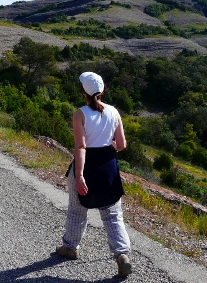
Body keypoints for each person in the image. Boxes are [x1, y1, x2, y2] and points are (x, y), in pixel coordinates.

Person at [56, 71, 132, 277]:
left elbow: (81, 147)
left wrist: (79, 175)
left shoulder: (80, 114)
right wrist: (109, 149)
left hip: (87, 166)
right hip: (108, 167)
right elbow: (122, 145)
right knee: (113, 214)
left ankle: (70, 247)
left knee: (77, 210)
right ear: (103, 90)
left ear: (83, 92)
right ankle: (122, 255)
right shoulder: (114, 111)